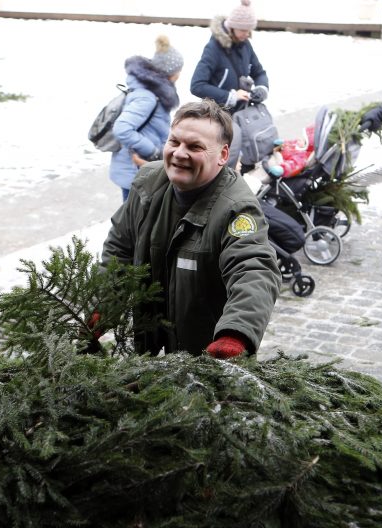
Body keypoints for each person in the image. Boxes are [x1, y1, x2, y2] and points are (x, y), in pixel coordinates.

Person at [101, 99, 280, 358]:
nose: (179, 153)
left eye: (195, 147)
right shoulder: (147, 184)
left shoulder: (237, 208)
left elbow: (254, 269)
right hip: (149, 339)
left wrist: (235, 334)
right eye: (174, 142)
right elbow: (119, 248)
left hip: (207, 354)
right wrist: (102, 306)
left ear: (223, 155)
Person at [190, 0, 269, 168]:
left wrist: (262, 88)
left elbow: (259, 72)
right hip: (217, 114)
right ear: (231, 27)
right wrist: (230, 96)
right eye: (243, 30)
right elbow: (196, 85)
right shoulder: (213, 49)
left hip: (241, 113)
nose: (246, 34)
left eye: (249, 31)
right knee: (226, 159)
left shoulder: (245, 44)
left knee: (254, 149)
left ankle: (244, 182)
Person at [109, 35, 184, 202]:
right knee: (133, 223)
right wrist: (152, 151)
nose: (180, 74)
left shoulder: (155, 93)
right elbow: (122, 128)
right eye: (178, 70)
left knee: (139, 220)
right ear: (170, 73)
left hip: (141, 168)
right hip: (135, 168)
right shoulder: (148, 97)